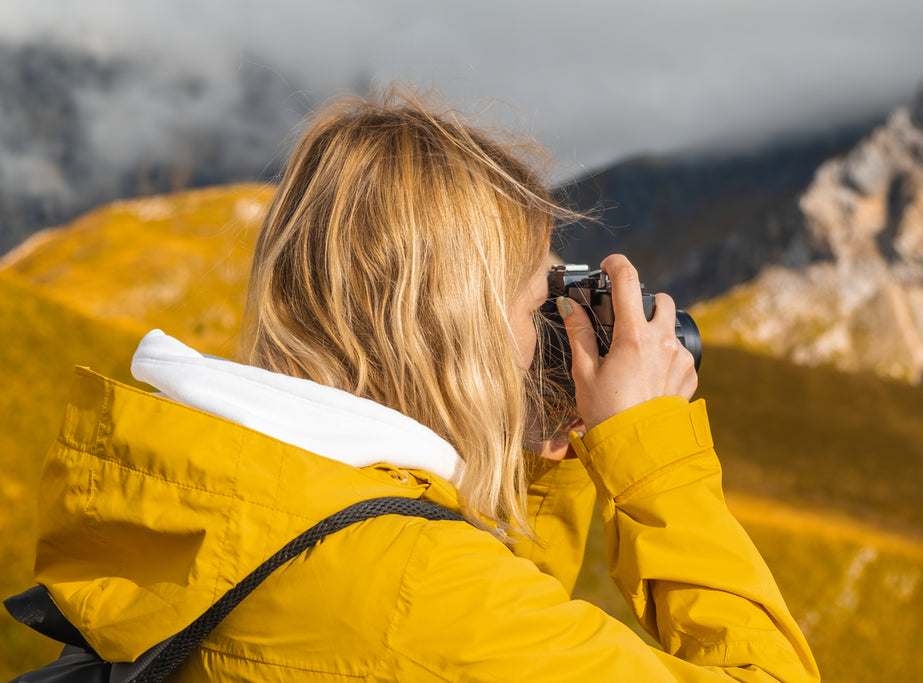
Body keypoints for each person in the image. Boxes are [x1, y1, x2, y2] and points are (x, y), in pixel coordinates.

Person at [28, 88, 820, 681]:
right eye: (539, 299)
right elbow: (462, 623)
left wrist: (541, 447)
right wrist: (649, 452)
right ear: (457, 328)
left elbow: (482, 617)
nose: (553, 326)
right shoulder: (419, 591)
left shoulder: (248, 512)